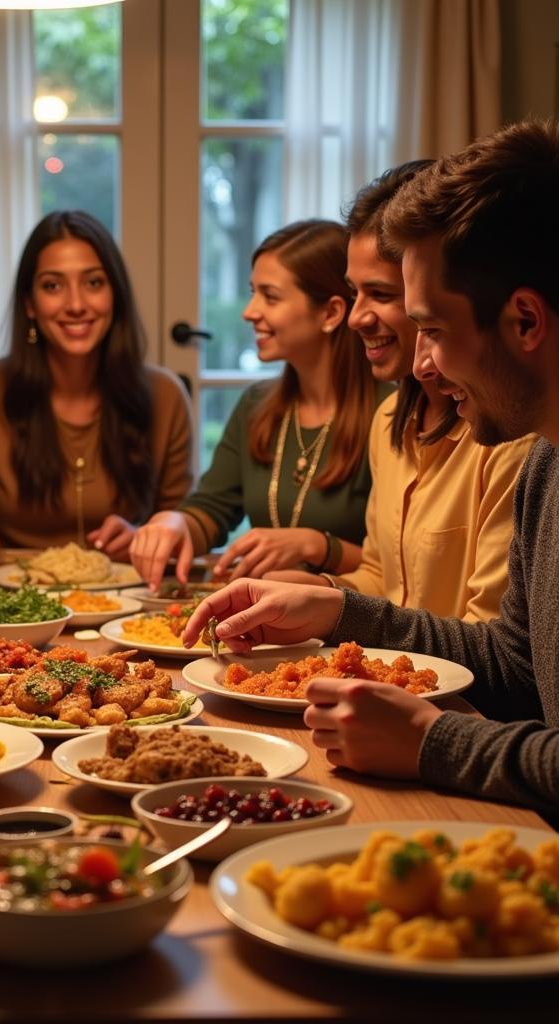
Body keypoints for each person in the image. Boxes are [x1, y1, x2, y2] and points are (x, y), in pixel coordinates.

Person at [182, 119, 559, 815]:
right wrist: (336, 604)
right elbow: (517, 666)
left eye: (435, 332)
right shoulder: (547, 461)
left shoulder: (519, 451)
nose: (425, 366)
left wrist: (432, 743)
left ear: (526, 322)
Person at [266, 165, 533, 622]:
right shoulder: (390, 416)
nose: (355, 317)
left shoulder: (507, 431)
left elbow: (496, 644)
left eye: (381, 294)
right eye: (354, 292)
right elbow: (381, 579)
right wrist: (320, 590)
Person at [131, 220, 392, 591]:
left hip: (353, 631)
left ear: (331, 313)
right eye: (253, 292)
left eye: (270, 296)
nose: (249, 311)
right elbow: (212, 509)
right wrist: (176, 524)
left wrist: (315, 545)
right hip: (268, 622)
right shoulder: (257, 404)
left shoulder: (391, 412)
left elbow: (397, 568)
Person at [0, 209, 193, 570]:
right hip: (16, 600)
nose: (75, 305)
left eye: (93, 283)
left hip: (129, 603)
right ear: (30, 304)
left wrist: (145, 536)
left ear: (115, 295)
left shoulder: (165, 394)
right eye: (53, 286)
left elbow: (183, 518)